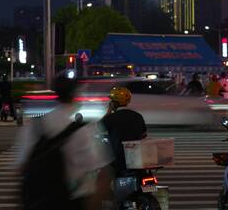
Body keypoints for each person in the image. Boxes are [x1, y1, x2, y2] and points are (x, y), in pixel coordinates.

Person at [18, 72, 112, 210]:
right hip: (71, 201)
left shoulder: (35, 125)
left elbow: (22, 167)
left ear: (56, 95)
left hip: (37, 201)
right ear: (75, 96)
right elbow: (103, 172)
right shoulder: (84, 130)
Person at [101, 87, 147, 175]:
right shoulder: (138, 116)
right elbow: (144, 134)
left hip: (118, 160)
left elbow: (99, 128)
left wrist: (109, 111)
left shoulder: (112, 118)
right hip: (136, 159)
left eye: (111, 101)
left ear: (114, 103)